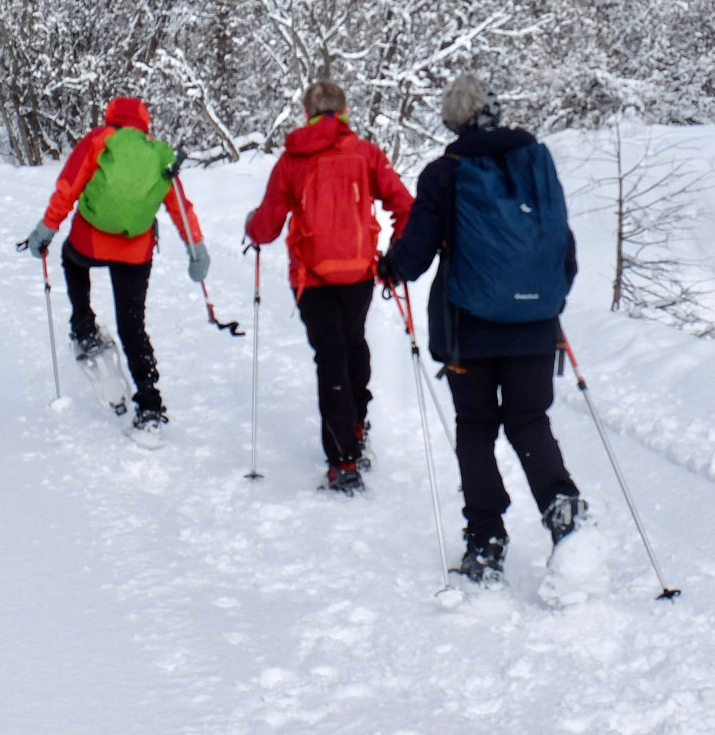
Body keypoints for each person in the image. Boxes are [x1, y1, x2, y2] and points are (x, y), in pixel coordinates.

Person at [379, 72, 585, 586]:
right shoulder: (536, 161)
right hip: (536, 325)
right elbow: (564, 247)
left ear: (452, 119)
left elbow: (418, 251)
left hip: (468, 327)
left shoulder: (444, 173)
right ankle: (564, 511)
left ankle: (487, 541)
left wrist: (390, 267)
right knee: (529, 419)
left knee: (475, 427)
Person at [245, 81, 413, 495]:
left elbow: (266, 226)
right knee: (353, 344)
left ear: (307, 113)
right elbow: (404, 204)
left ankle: (344, 461)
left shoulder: (292, 159)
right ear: (345, 111)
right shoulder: (366, 153)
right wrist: (396, 255)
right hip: (358, 272)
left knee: (331, 356)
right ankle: (356, 425)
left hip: (312, 277)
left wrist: (251, 225)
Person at [26, 96, 207, 431]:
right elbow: (180, 206)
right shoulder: (157, 155)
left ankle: (83, 324)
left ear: (111, 117)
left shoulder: (98, 141)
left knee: (71, 260)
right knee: (132, 325)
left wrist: (45, 230)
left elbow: (68, 189)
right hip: (135, 252)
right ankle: (149, 401)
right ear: (144, 123)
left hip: (89, 241)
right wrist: (196, 250)